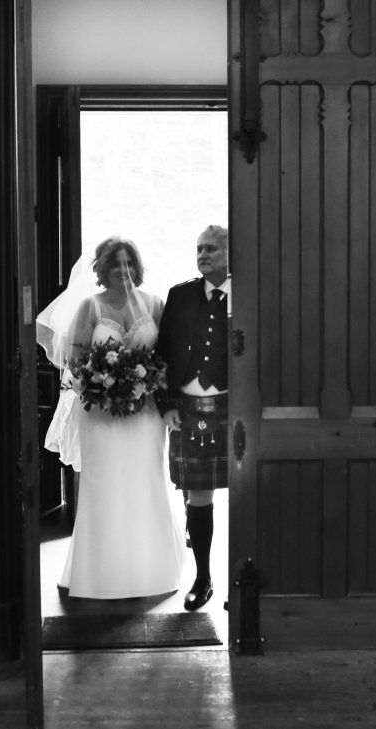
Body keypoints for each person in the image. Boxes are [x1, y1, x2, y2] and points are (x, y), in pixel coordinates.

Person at [37, 237, 185, 599]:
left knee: (144, 482)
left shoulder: (155, 304)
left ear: (137, 266)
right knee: (104, 486)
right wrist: (104, 381)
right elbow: (74, 359)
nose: (123, 270)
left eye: (129, 263)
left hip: (146, 413)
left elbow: (168, 356)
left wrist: (143, 382)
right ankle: (100, 572)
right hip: (100, 414)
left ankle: (149, 569)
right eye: (115, 263)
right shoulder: (91, 306)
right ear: (102, 269)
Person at [156, 225, 230, 612]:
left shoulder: (250, 292)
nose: (203, 255)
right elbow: (163, 354)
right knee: (199, 497)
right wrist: (164, 403)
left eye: (212, 249)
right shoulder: (180, 295)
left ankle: (244, 585)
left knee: (250, 494)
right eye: (199, 249)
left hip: (235, 410)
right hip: (188, 409)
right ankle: (203, 579)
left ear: (232, 254)